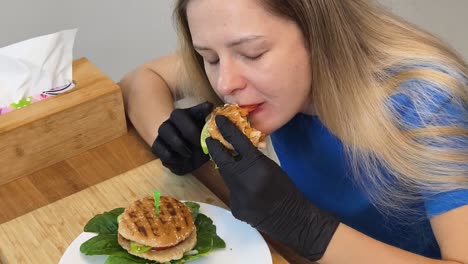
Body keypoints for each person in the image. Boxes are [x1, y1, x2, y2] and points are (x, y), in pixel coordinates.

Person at [119, 0, 468, 263]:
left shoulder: (426, 103)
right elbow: (140, 80)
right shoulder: (264, 85)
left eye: (252, 54)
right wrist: (170, 138)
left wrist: (306, 228)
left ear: (320, 35)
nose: (226, 83)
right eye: (210, 58)